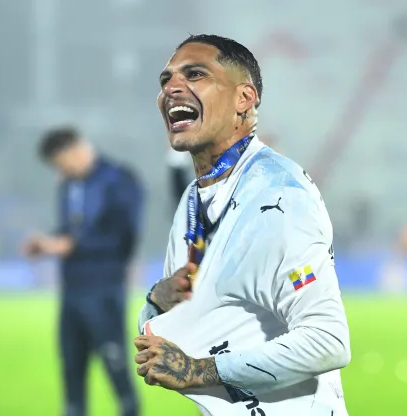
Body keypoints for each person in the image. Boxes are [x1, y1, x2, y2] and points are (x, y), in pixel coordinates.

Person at [133, 35, 352, 415]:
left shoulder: (279, 196)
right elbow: (175, 332)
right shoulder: (193, 199)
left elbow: (328, 340)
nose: (171, 88)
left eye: (195, 74)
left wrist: (199, 370)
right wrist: (156, 302)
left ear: (244, 99)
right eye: (165, 80)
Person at [23, 127, 142, 416]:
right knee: (72, 375)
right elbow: (69, 231)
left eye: (60, 163)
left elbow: (123, 236)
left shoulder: (119, 179)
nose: (60, 171)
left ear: (75, 149)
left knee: (117, 373)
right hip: (72, 290)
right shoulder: (69, 184)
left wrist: (69, 245)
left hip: (104, 289)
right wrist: (48, 243)